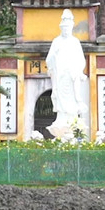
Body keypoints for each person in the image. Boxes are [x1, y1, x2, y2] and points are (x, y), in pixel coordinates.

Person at [45, 9, 89, 140]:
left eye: (68, 28)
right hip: (60, 76)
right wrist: (54, 55)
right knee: (59, 97)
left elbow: (81, 60)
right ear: (61, 28)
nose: (66, 31)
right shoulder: (56, 42)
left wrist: (78, 71)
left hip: (72, 76)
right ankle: (62, 118)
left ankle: (73, 118)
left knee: (73, 98)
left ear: (71, 28)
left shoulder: (75, 42)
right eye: (64, 28)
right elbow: (49, 59)